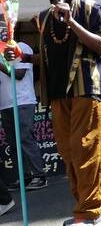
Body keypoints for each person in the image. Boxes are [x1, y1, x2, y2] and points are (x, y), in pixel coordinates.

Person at [26, 0, 101, 225]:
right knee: (69, 152)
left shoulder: (90, 9)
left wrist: (71, 21)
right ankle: (91, 205)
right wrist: (22, 56)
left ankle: (90, 211)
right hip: (58, 94)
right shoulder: (42, 19)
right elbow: (48, 58)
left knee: (86, 148)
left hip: (86, 88)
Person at [0, 41, 47, 191]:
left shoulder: (20, 46)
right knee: (13, 143)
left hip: (22, 101)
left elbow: (19, 74)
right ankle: (24, 177)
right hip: (5, 103)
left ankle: (39, 175)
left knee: (25, 138)